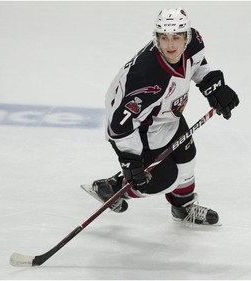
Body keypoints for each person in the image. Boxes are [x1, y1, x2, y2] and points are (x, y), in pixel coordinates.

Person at [89, 8, 239, 225]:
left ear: (186, 36)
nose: (170, 45)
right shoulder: (147, 78)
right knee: (159, 180)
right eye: (164, 37)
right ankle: (114, 188)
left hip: (167, 113)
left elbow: (197, 64)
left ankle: (183, 208)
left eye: (176, 37)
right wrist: (130, 161)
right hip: (141, 126)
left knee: (187, 158)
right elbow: (119, 126)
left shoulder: (194, 41)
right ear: (156, 37)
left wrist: (213, 86)